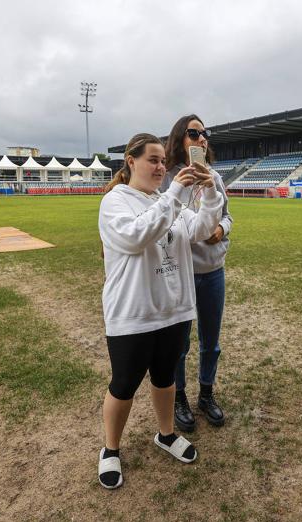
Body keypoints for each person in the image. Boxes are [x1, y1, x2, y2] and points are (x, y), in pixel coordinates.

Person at [97, 132, 225, 489]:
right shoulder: (115, 201)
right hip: (133, 313)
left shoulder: (166, 200)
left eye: (162, 161)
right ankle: (110, 449)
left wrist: (211, 189)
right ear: (131, 161)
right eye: (152, 160)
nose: (159, 167)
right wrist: (173, 195)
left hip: (173, 311)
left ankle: (166, 435)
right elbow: (137, 236)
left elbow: (199, 228)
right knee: (124, 385)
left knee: (165, 378)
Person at [161, 115, 233, 432]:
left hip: (213, 270)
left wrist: (219, 228)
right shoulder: (168, 178)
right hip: (182, 272)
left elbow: (230, 218)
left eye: (204, 133)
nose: (201, 138)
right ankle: (179, 398)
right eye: (193, 132)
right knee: (180, 343)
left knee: (211, 342)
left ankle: (206, 394)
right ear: (180, 139)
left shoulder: (215, 177)